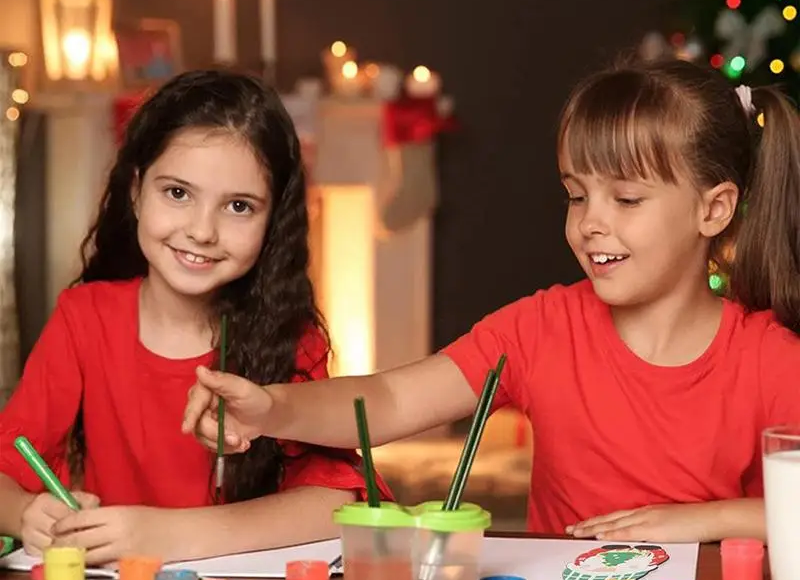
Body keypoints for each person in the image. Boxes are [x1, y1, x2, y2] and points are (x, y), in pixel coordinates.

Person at [182, 58, 800, 544]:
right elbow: (392, 399)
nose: (590, 224)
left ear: (712, 209)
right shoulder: (539, 329)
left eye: (627, 200)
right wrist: (272, 407)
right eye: (576, 195)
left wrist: (708, 519)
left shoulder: (771, 359)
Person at [0, 69, 390, 565]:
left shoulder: (289, 335)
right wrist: (26, 511)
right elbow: (6, 468)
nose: (202, 231)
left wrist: (165, 534)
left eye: (239, 206)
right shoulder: (86, 318)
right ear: (137, 191)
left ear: (272, 223)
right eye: (178, 193)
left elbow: (339, 501)